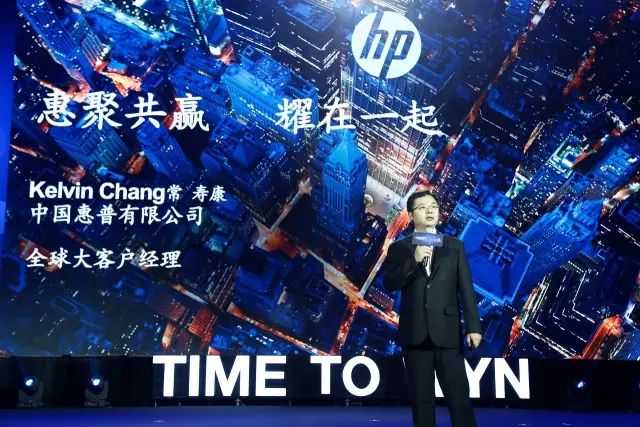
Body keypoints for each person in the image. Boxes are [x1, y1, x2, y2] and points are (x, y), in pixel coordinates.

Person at [382, 190, 483, 427]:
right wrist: (413, 261)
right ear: (410, 215)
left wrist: (473, 327)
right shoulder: (399, 248)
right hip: (415, 333)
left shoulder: (454, 246)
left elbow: (466, 289)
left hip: (447, 333)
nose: (429, 211)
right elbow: (390, 283)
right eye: (423, 207)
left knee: (459, 400)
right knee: (422, 402)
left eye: (433, 207)